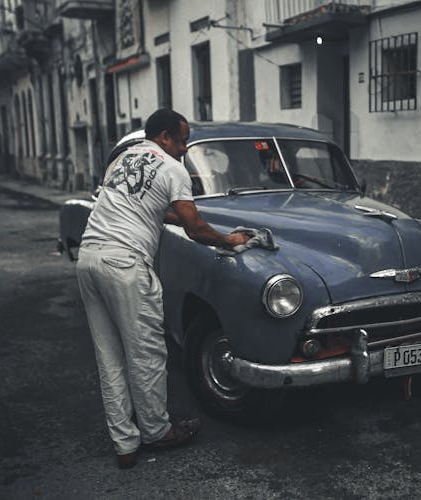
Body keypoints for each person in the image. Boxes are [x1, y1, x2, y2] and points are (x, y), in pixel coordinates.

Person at [76, 109, 249, 469]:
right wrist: (229, 239)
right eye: (182, 140)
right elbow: (195, 229)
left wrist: (194, 219)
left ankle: (125, 444)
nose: (185, 148)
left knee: (109, 357)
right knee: (146, 354)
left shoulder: (123, 158)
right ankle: (156, 432)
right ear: (165, 137)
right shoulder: (173, 168)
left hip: (89, 258)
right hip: (124, 264)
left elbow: (148, 209)